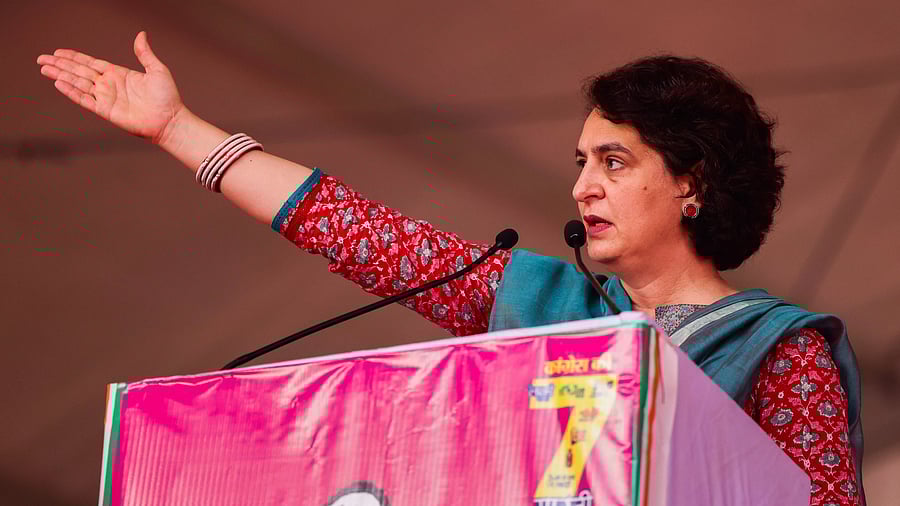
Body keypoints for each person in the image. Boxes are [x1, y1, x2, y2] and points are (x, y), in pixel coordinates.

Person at [36, 31, 865, 505]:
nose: (581, 186)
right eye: (581, 160)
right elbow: (366, 236)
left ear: (692, 183)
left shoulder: (780, 352)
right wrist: (178, 129)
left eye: (614, 162)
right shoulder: (546, 302)